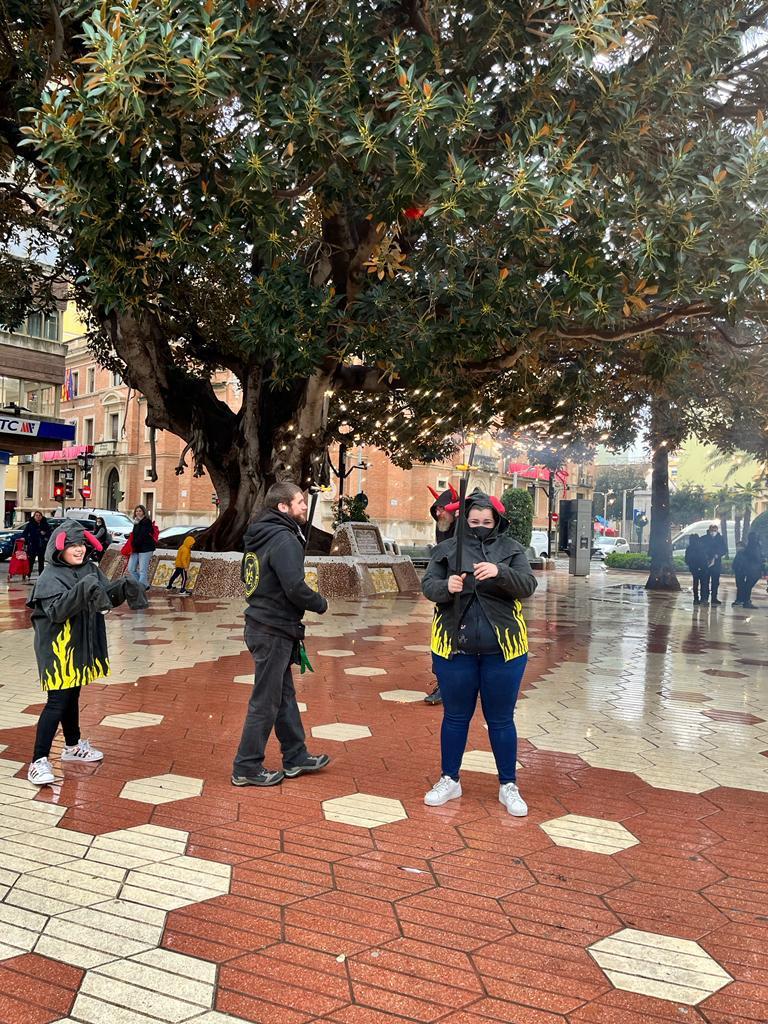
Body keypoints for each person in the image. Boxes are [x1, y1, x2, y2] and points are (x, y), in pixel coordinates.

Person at [421, 489, 537, 816]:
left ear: (497, 521)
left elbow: (528, 585)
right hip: (454, 647)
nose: (481, 526)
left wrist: (501, 573)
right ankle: (449, 779)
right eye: (474, 521)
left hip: (504, 649)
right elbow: (428, 585)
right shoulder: (447, 549)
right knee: (455, 716)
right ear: (464, 520)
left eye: (487, 521)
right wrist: (447, 587)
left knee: (501, 719)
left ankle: (508, 784)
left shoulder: (511, 549)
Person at [26, 521, 148, 785]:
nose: (79, 549)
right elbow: (57, 612)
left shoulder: (89, 569)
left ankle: (72, 746)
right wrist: (84, 589)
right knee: (57, 701)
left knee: (71, 696)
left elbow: (103, 595)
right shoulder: (50, 576)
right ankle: (38, 761)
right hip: (58, 649)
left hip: (80, 645)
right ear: (59, 547)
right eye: (72, 545)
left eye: (81, 544)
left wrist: (123, 586)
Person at [232, 482, 330, 787]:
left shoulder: (259, 536)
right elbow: (294, 587)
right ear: (283, 507)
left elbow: (248, 576)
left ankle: (296, 756)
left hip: (263, 624)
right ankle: (246, 767)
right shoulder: (285, 539)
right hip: (273, 629)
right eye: (300, 502)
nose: (305, 506)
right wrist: (319, 602)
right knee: (265, 701)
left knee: (283, 696)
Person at [424, 486, 460, 705]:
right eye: (436, 510)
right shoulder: (443, 529)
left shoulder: (463, 529)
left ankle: (453, 684)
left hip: (463, 594)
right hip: (444, 592)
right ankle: (443, 683)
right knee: (441, 638)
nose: (438, 514)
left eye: (442, 510)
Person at [126, 504, 157, 588]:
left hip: (146, 548)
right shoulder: (136, 522)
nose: (138, 512)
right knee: (131, 568)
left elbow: (143, 535)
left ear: (144, 512)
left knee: (143, 570)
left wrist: (134, 543)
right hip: (136, 548)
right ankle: (144, 585)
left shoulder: (146, 522)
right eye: (136, 511)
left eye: (140, 511)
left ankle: (141, 587)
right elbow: (135, 534)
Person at [733, 532, 764, 609]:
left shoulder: (751, 546)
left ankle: (743, 600)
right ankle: (745, 601)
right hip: (752, 570)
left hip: (751, 569)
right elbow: (756, 557)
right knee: (747, 586)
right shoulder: (754, 546)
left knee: (745, 586)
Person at [701, 524, 727, 606]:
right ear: (709, 530)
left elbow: (724, 550)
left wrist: (718, 555)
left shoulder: (720, 539)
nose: (713, 532)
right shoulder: (704, 538)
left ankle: (714, 598)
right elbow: (701, 549)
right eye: (712, 530)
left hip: (716, 563)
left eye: (715, 530)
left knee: (715, 582)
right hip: (706, 563)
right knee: (705, 581)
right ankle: (704, 598)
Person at [23, 511, 52, 578]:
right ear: (34, 516)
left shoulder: (45, 524)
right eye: (36, 515)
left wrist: (45, 535)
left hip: (41, 545)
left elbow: (49, 533)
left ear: (41, 516)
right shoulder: (30, 524)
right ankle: (28, 574)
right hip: (33, 544)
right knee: (31, 560)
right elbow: (25, 533)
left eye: (39, 515)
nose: (38, 517)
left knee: (41, 561)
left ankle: (41, 575)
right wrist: (27, 541)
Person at [684, 534, 708, 605]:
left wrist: (692, 565)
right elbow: (704, 557)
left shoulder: (689, 548)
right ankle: (703, 598)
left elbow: (687, 559)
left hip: (694, 568)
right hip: (702, 568)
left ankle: (696, 599)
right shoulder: (701, 547)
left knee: (696, 583)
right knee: (703, 583)